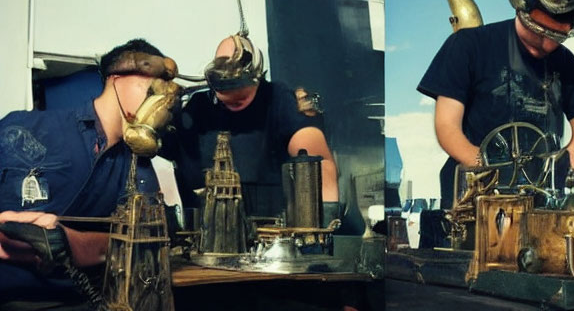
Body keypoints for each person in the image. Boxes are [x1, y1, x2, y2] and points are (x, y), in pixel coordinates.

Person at [0, 39, 179, 302]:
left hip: (79, 301)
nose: (160, 101)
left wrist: (74, 244)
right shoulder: (26, 128)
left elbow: (148, 245)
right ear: (116, 79)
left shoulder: (139, 167)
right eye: (151, 87)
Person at [418, 0, 574, 210]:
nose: (545, 44)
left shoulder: (565, 62)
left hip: (541, 196)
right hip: (474, 191)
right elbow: (447, 126)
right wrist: (491, 168)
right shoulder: (468, 45)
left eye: (556, 37)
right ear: (522, 9)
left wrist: (557, 166)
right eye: (537, 32)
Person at [160, 34, 340, 224]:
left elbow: (319, 164)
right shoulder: (197, 108)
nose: (234, 98)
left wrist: (323, 230)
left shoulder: (279, 100)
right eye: (225, 93)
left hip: (274, 230)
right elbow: (160, 147)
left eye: (240, 95)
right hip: (207, 231)